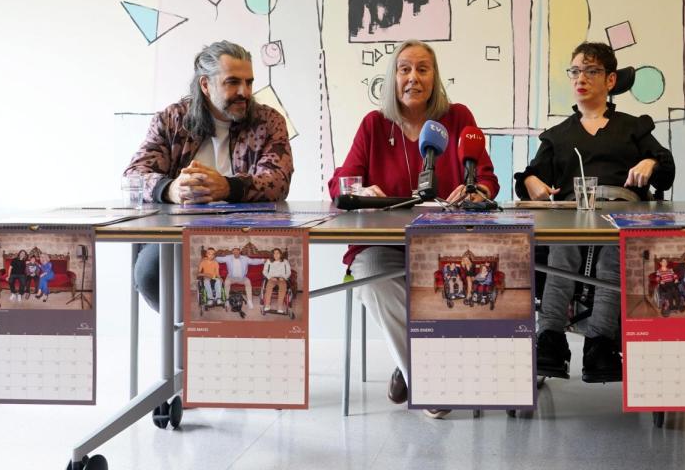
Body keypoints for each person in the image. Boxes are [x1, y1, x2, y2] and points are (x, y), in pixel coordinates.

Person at [328, 39, 499, 419]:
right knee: (372, 280)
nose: (413, 77)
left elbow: (487, 177)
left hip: (446, 243)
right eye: (404, 69)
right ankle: (428, 382)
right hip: (384, 246)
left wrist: (477, 191)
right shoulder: (374, 125)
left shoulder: (457, 118)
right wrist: (358, 188)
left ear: (434, 77)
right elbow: (339, 182)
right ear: (393, 77)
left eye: (423, 69)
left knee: (466, 279)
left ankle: (405, 362)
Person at [515, 41, 675, 383]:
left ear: (610, 80)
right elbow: (528, 176)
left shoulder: (634, 127)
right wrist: (531, 181)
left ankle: (600, 342)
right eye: (575, 71)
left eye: (591, 71)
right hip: (573, 212)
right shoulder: (557, 136)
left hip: (621, 212)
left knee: (612, 256)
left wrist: (650, 160)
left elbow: (666, 168)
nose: (581, 78)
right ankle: (550, 338)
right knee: (561, 249)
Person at [124, 41, 294, 312]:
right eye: (233, 82)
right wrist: (171, 190)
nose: (245, 92)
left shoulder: (269, 121)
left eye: (249, 82)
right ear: (205, 84)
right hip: (178, 234)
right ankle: (187, 339)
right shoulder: (172, 120)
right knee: (150, 272)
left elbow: (278, 179)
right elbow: (134, 175)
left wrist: (227, 187)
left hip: (248, 233)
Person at [262, 248, 292, 314]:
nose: (275, 255)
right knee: (268, 287)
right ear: (272, 254)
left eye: (277, 253)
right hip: (272, 278)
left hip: (282, 278)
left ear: (280, 254)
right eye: (274, 253)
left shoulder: (285, 261)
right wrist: (270, 277)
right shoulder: (269, 261)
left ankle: (280, 307)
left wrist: (284, 277)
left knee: (283, 287)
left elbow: (289, 272)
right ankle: (267, 305)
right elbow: (264, 271)